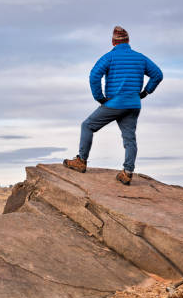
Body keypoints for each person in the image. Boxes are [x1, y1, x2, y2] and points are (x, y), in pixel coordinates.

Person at [63, 26, 163, 185]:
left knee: (87, 126)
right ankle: (127, 172)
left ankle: (81, 161)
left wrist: (100, 98)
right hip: (133, 104)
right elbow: (158, 74)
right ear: (128, 41)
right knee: (130, 138)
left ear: (113, 42)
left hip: (115, 103)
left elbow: (94, 76)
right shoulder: (140, 58)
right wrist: (145, 92)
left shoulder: (109, 57)